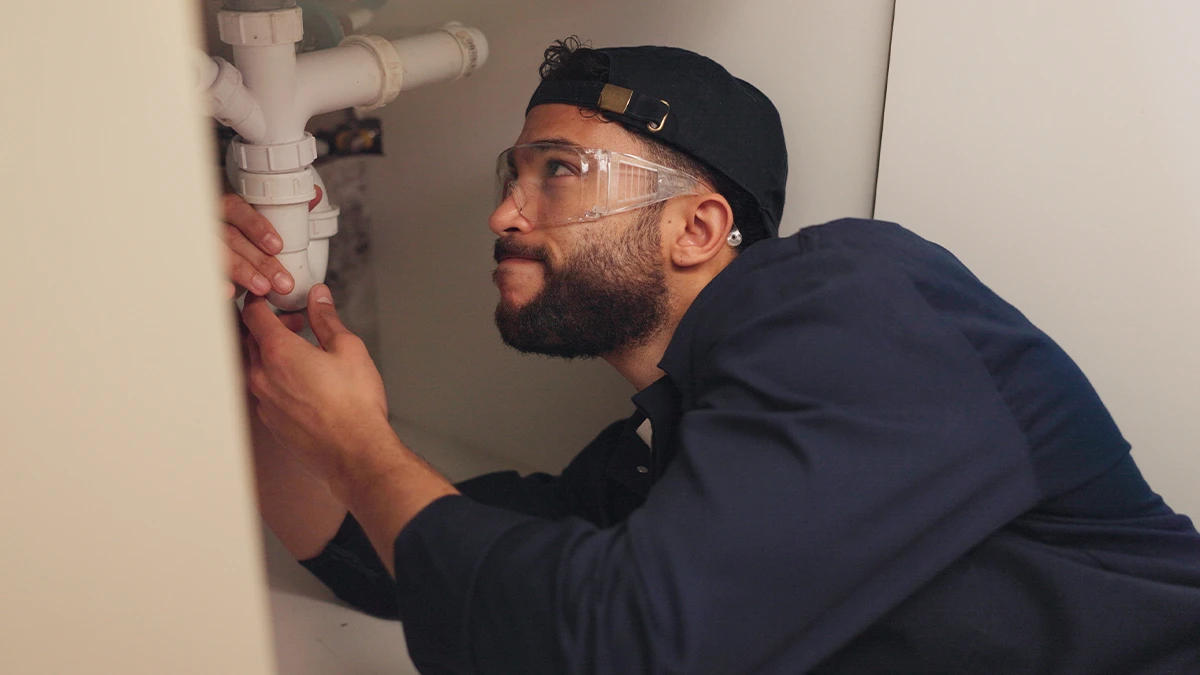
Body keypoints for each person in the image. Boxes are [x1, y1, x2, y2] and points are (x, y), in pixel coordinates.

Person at [225, 39, 1200, 674]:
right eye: (512, 174)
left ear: (700, 227)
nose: (504, 214)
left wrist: (361, 446)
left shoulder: (857, 295)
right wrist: (257, 334)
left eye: (558, 171)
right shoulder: (659, 468)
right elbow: (376, 554)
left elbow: (633, 648)